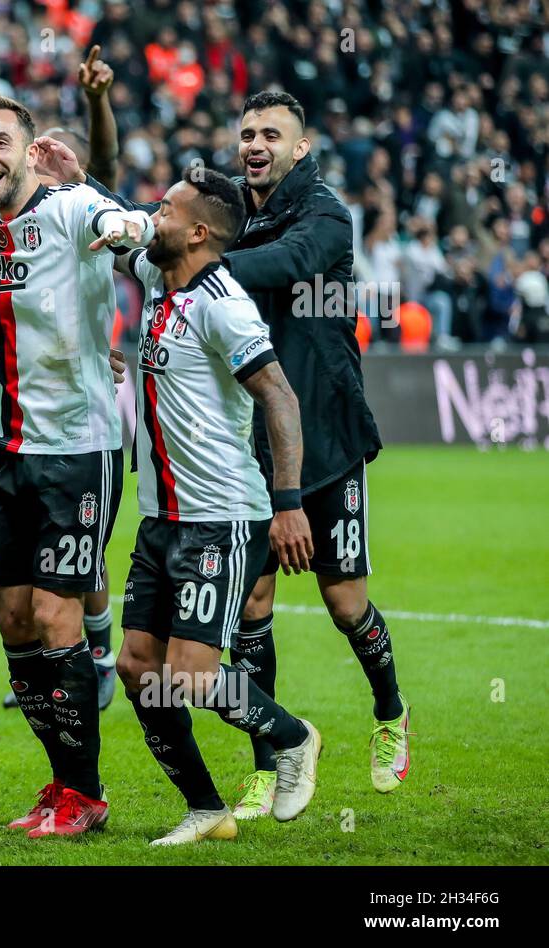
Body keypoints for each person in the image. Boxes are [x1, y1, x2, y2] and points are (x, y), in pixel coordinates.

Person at [105, 167, 323, 845]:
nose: (152, 215)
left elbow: (280, 398)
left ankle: (293, 737)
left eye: (165, 209)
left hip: (221, 517)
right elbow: (110, 226)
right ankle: (205, 807)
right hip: (161, 519)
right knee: (138, 668)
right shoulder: (156, 274)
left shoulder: (223, 303)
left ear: (198, 233)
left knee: (191, 680)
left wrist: (287, 504)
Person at [222, 91, 407, 816]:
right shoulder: (232, 209)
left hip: (326, 439)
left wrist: (208, 256)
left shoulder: (325, 212)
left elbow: (289, 261)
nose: (255, 143)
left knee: (343, 600)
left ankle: (390, 713)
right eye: (246, 134)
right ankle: (268, 763)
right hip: (253, 441)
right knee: (250, 608)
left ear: (300, 148)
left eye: (271, 133)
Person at [0, 93, 128, 837]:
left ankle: (86, 793)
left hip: (79, 450)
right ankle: (61, 780)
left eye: (0, 141)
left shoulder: (71, 206)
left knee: (58, 617)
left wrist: (123, 218)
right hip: (8, 451)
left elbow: (125, 227)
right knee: (15, 620)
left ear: (31, 150)